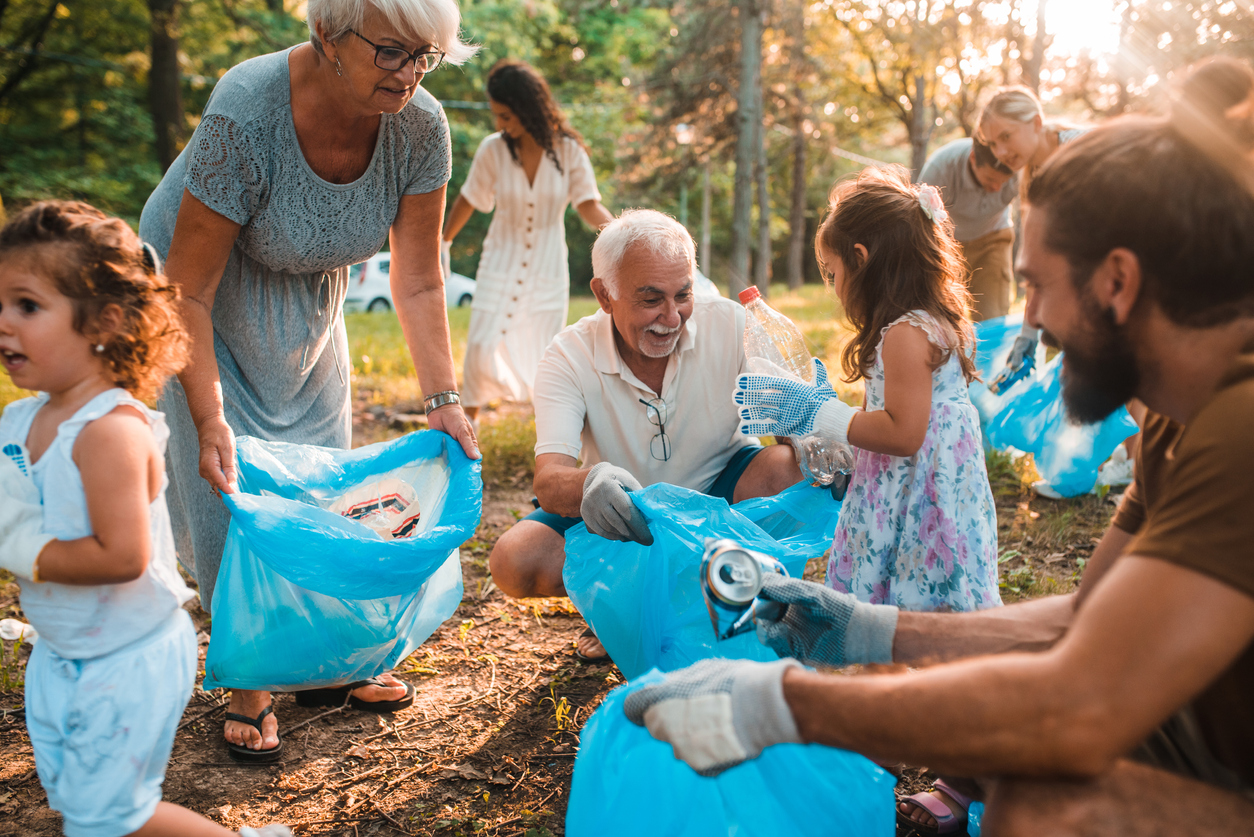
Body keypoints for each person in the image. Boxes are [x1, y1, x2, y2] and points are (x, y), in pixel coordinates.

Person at [623, 116, 1254, 836]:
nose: (1033, 321)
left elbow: (1081, 704)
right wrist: (867, 629)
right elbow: (1084, 615)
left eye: (1039, 287)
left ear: (1118, 280)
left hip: (1214, 761)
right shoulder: (1175, 423)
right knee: (1018, 786)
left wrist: (781, 706)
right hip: (1193, 729)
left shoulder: (1240, 430)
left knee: (1047, 809)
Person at [137, 0, 480, 762]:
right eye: (392, 51)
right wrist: (211, 415)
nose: (410, 73)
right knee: (232, 487)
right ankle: (252, 678)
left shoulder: (421, 126)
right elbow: (186, 289)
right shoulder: (247, 109)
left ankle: (332, 654)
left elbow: (420, 280)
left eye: (425, 54)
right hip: (201, 296)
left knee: (325, 478)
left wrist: (443, 399)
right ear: (327, 34)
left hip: (307, 297)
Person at [0, 201, 290, 837]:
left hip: (125, 657)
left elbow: (122, 556)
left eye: (26, 306)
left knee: (112, 817)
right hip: (63, 651)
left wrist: (20, 547)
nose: (3, 324)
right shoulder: (20, 422)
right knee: (75, 804)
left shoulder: (109, 431)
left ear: (102, 321)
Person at [488, 209, 803, 661]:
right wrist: (590, 482)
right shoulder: (568, 356)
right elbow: (549, 478)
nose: (672, 318)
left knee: (788, 471)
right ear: (604, 294)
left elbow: (791, 428)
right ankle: (623, 606)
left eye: (683, 294)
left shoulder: (731, 325)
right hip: (628, 519)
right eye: (651, 299)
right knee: (515, 561)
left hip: (722, 493)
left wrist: (816, 442)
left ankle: (730, 597)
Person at [735, 168, 1000, 613]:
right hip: (930, 483)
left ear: (861, 259)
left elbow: (903, 434)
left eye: (833, 273)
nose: (834, 288)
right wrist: (836, 442)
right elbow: (881, 418)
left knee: (903, 587)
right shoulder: (930, 322)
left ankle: (893, 671)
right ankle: (890, 672)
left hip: (915, 491)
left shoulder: (905, 334)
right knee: (915, 589)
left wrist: (821, 414)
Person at [442, 60, 614, 421]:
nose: (499, 124)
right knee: (480, 344)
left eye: (505, 115)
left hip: (547, 270)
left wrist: (625, 235)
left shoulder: (568, 152)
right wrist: (442, 240)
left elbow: (588, 205)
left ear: (527, 108)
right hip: (498, 262)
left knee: (547, 351)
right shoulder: (494, 149)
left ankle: (551, 436)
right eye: (496, 115)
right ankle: (466, 431)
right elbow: (469, 199)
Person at [977, 85, 1087, 390]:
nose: (999, 153)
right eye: (993, 143)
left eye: (1006, 137)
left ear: (1036, 122)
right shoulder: (1030, 177)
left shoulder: (1082, 150)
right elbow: (1036, 257)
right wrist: (1028, 332)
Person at [916, 137, 1018, 321]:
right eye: (990, 179)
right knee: (944, 317)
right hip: (947, 246)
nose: (997, 188)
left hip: (993, 238)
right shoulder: (941, 168)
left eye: (1003, 182)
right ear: (973, 159)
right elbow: (920, 224)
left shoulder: (1019, 168)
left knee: (993, 315)